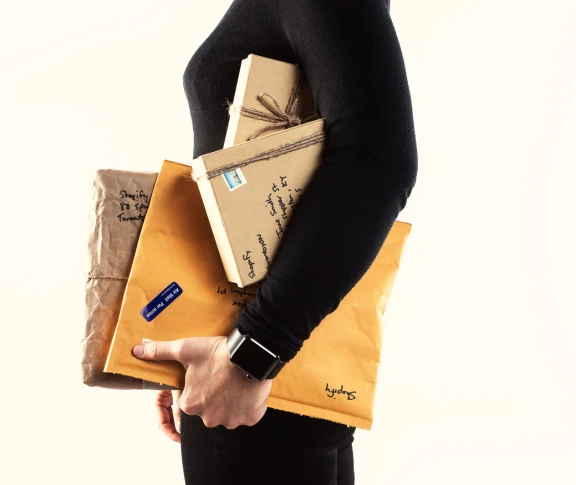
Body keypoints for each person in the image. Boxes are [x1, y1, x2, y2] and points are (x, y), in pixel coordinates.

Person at [128, 0, 417, 483]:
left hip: (258, 379)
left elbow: (379, 162)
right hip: (254, 365)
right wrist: (207, 341)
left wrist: (250, 355)